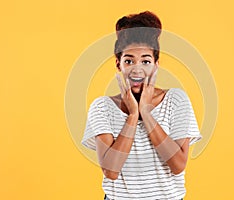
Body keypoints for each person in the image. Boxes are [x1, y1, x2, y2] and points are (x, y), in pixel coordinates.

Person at [81, 11, 202, 200]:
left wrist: (146, 113)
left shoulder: (176, 100)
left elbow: (178, 165)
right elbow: (111, 171)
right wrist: (132, 116)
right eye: (129, 60)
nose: (137, 69)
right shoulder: (102, 107)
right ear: (119, 65)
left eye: (145, 61)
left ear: (155, 65)